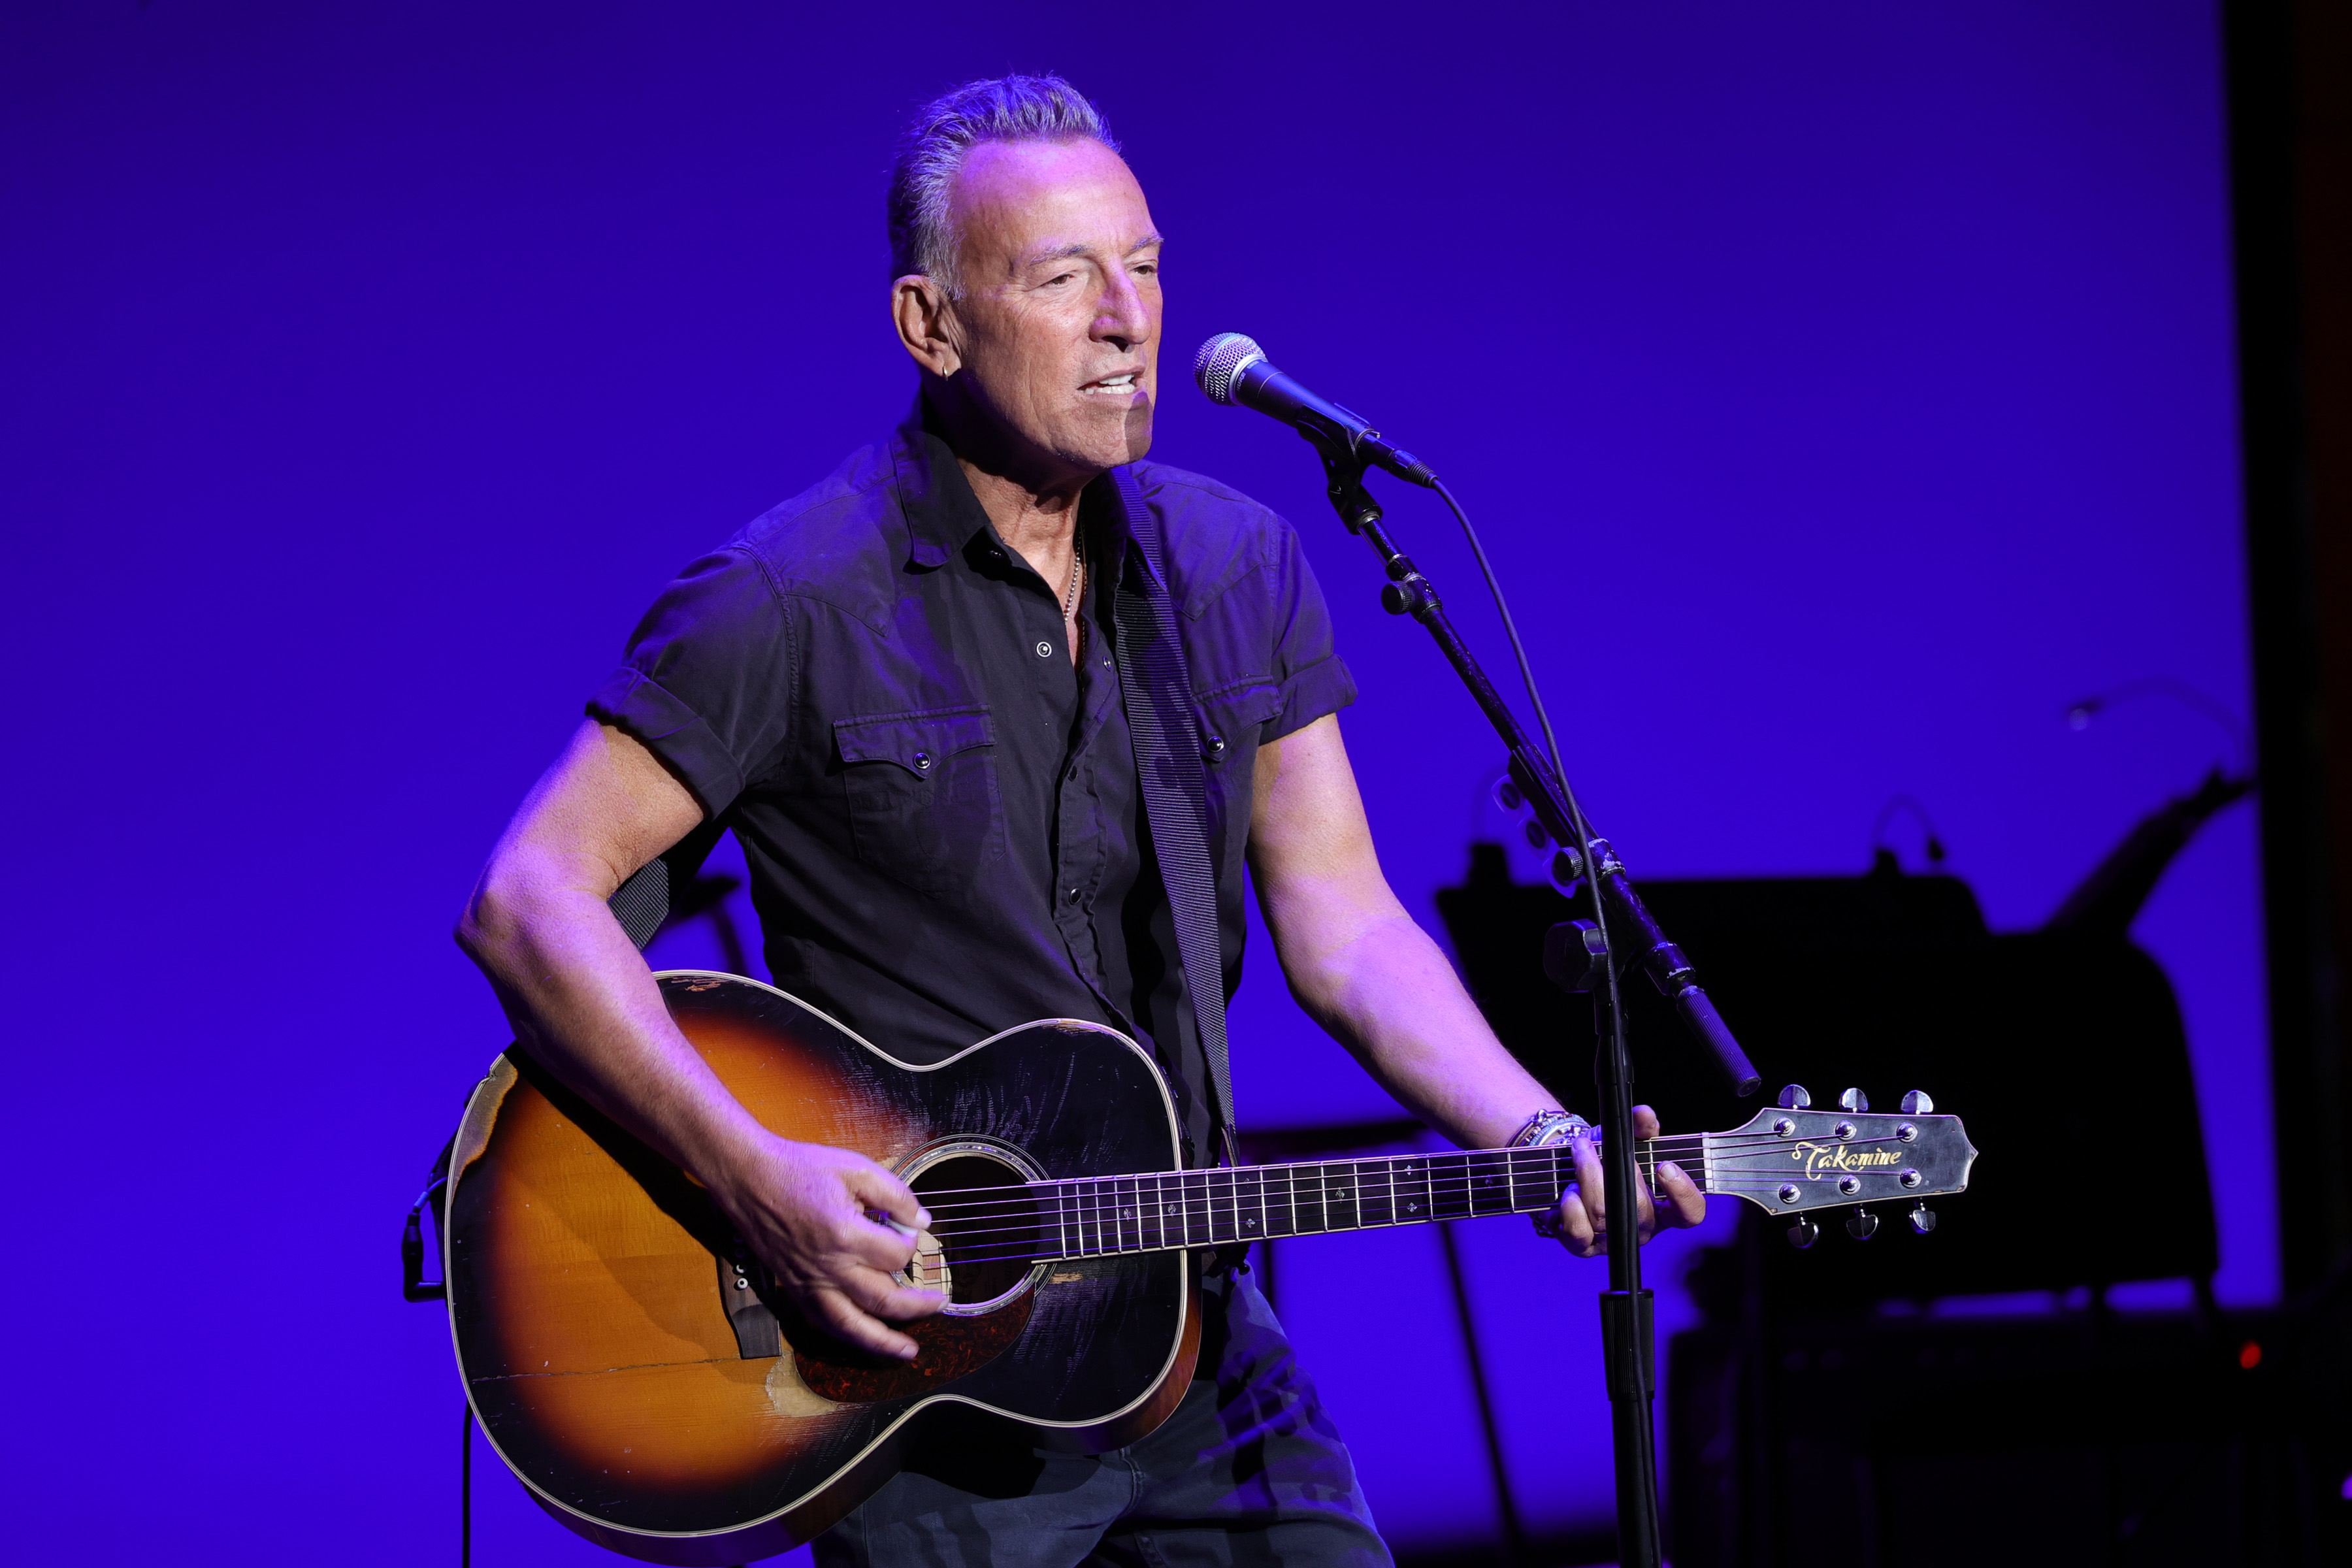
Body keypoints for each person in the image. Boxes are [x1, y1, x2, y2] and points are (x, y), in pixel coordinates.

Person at [456, 74, 1705, 1567]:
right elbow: (530, 900)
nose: (1130, 318)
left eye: (1148, 266)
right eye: (1065, 279)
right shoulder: (788, 599)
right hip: (918, 1375)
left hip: (1189, 1329)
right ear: (933, 325)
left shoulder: (1237, 565)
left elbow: (1348, 928)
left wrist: (1542, 1130)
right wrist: (755, 1180)